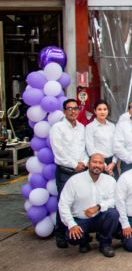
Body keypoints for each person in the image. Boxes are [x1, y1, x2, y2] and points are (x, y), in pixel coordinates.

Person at [58, 153, 119, 257]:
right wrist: (72, 224)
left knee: (113, 214)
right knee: (72, 238)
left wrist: (98, 207)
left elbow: (114, 200)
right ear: (88, 164)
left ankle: (105, 244)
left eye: (100, 163)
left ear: (103, 166)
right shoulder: (74, 181)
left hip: (99, 218)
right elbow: (63, 204)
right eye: (94, 162)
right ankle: (84, 241)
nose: (97, 165)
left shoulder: (110, 181)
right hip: (80, 220)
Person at [49, 98, 88, 248]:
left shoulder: (81, 127)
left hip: (81, 170)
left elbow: (85, 149)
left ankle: (81, 234)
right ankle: (60, 234)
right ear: (64, 111)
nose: (73, 111)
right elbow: (58, 151)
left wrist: (83, 163)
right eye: (69, 109)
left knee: (80, 201)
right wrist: (74, 165)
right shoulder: (57, 128)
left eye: (75, 108)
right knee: (64, 202)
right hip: (65, 171)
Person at [85, 100, 117, 176]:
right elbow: (90, 148)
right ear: (95, 111)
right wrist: (103, 165)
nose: (102, 112)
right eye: (99, 109)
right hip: (97, 163)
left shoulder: (112, 126)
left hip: (112, 163)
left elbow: (116, 145)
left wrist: (114, 162)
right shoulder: (90, 127)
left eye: (105, 109)